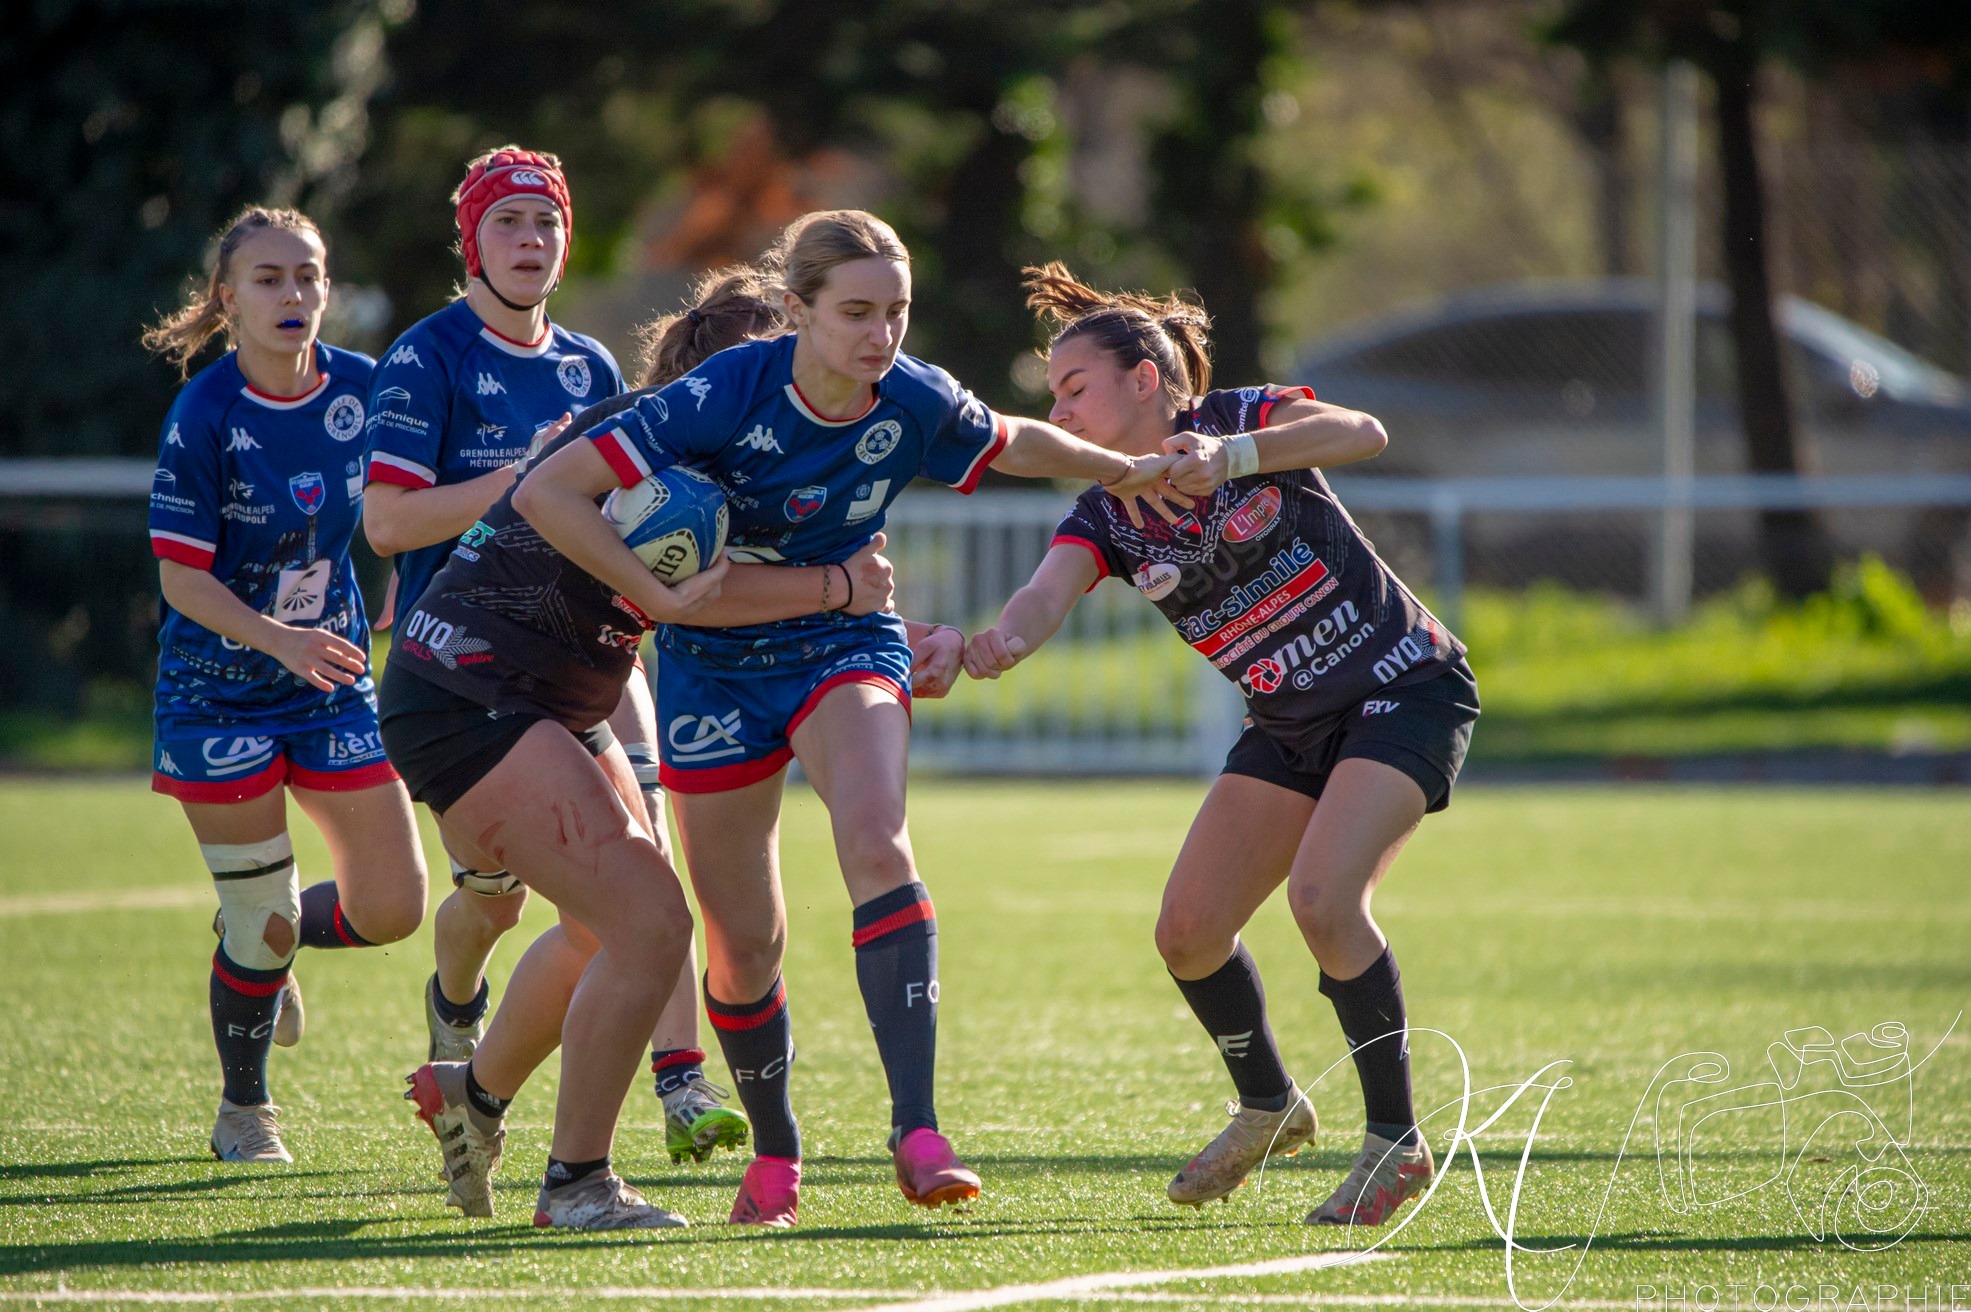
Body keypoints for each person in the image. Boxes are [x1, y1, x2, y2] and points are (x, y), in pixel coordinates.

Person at [514, 210, 1181, 1227]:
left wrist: (1121, 469)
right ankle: (776, 1156)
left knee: (877, 840)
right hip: (714, 672)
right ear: (797, 310)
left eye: (897, 313)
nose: (882, 336)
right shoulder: (720, 393)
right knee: (745, 943)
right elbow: (548, 491)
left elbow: (1010, 439)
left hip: (846, 643)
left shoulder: (908, 395)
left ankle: (918, 1131)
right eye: (857, 312)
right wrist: (661, 591)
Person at [383, 263, 910, 1228]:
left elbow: (707, 593)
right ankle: (576, 1181)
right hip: (474, 694)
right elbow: (699, 595)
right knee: (652, 923)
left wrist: (858, 603)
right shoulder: (678, 460)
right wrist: (841, 588)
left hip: (538, 697)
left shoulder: (687, 447)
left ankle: (476, 1093)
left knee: (601, 928)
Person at [963, 262, 1480, 1228]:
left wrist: (1238, 455)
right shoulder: (1102, 511)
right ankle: (1270, 1105)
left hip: (1402, 689)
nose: (1062, 410)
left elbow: (1362, 433)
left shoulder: (1241, 415)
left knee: (1323, 900)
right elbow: (1042, 596)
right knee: (1188, 933)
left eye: (1075, 388)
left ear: (1144, 379)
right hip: (1287, 726)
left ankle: (1394, 1144)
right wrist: (993, 646)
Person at [359, 146, 739, 1162]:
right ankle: (458, 1014)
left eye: (547, 224)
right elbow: (390, 522)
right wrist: (541, 479)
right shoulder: (427, 355)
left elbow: (624, 519)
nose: (531, 242)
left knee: (639, 875)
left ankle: (671, 1083)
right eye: (508, 224)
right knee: (498, 900)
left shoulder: (590, 368)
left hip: (583, 660)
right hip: (468, 666)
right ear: (470, 240)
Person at [142, 207, 428, 1164]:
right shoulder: (205, 415)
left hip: (330, 678)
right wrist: (277, 639)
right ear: (227, 299)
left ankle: (258, 939)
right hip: (217, 692)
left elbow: (404, 505)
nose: (294, 295)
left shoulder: (366, 388)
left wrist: (398, 579)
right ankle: (245, 1110)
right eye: (268, 279)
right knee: (261, 923)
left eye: (308, 276)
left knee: (393, 908)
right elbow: (182, 578)